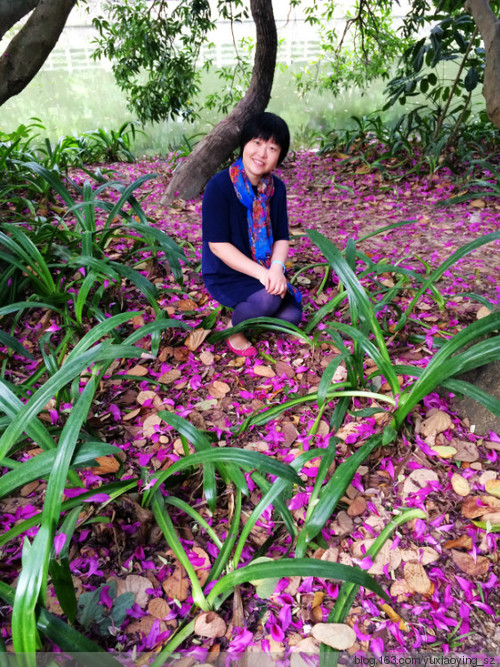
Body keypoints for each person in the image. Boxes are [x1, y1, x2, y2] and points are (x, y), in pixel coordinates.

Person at [201, 112, 302, 356]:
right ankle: (234, 328)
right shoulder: (219, 185)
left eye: (272, 147)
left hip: (264, 266)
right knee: (269, 300)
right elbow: (217, 246)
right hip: (226, 272)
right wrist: (264, 275)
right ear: (244, 144)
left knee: (292, 316)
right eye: (257, 142)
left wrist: (276, 269)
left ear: (279, 157)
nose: (262, 153)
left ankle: (250, 308)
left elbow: (281, 237)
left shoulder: (277, 190)